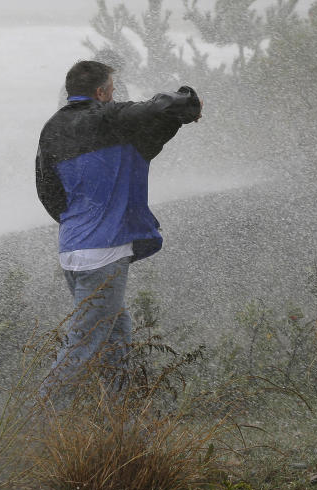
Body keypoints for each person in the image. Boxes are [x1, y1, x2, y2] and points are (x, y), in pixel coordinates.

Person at [36, 60, 202, 402]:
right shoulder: (110, 119)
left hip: (71, 250)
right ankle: (38, 423)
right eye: (111, 89)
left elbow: (47, 192)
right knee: (82, 347)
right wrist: (191, 101)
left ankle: (117, 413)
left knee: (116, 332)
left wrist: (78, 222)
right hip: (104, 254)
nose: (113, 95)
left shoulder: (52, 129)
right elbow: (161, 107)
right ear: (100, 93)